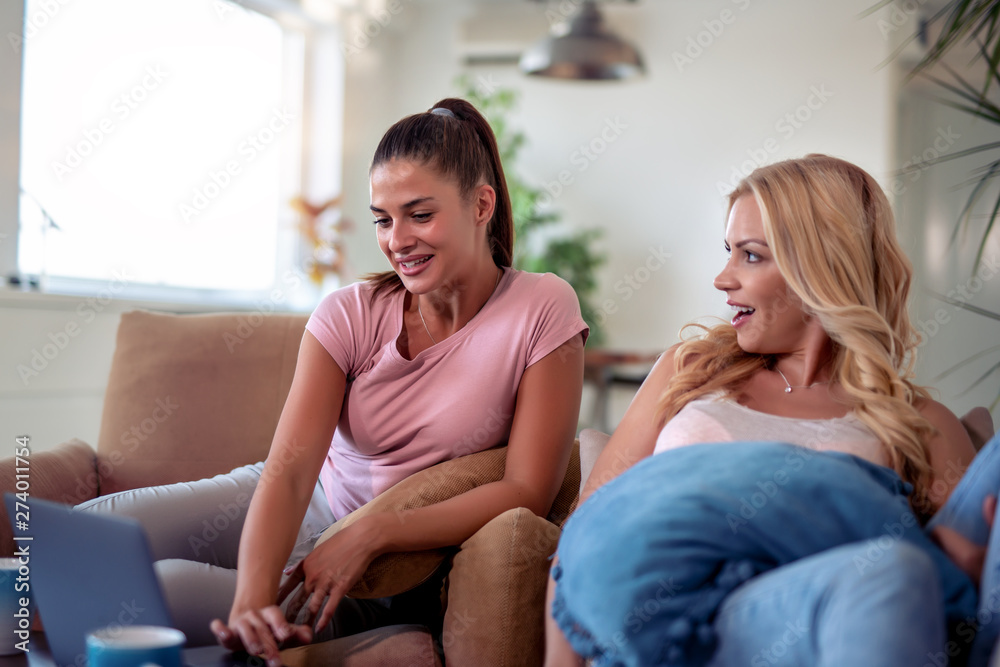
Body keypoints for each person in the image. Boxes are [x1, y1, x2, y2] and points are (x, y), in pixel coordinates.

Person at [78, 98, 588, 666]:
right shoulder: (350, 312)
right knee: (94, 529)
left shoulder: (542, 307)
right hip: (309, 498)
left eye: (420, 215)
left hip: (376, 572)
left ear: (481, 205)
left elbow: (527, 489)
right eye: (382, 218)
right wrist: (251, 596)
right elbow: (291, 470)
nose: (397, 240)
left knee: (158, 591)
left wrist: (375, 533)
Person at [543, 154, 1000, 667]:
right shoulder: (689, 371)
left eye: (751, 256)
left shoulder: (916, 420)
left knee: (895, 572)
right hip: (669, 626)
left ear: (821, 267)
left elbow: (962, 595)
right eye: (728, 252)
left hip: (823, 631)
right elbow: (584, 541)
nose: (722, 279)